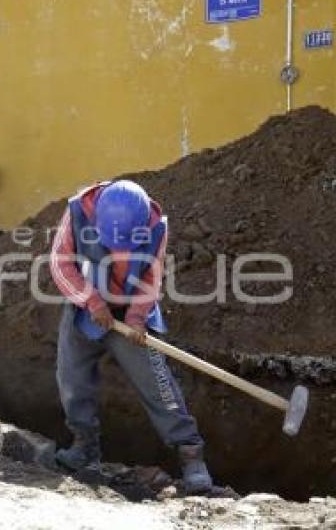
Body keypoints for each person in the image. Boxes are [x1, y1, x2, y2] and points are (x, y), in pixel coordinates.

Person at [49, 179, 212, 493]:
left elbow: (152, 274)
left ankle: (191, 455)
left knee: (158, 384)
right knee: (71, 379)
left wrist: (137, 316)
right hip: (86, 308)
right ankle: (85, 448)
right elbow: (60, 263)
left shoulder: (155, 226)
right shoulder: (77, 212)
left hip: (130, 313)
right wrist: (92, 301)